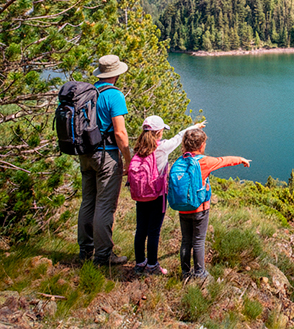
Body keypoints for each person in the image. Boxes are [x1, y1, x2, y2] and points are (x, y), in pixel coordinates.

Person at [130, 116, 206, 275]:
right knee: (153, 231)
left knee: (141, 229)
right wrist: (195, 127)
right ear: (159, 132)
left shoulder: (138, 148)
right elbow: (179, 137)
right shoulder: (162, 147)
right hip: (157, 196)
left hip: (140, 195)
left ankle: (140, 263)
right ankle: (152, 265)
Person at [175, 128, 250, 281]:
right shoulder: (204, 161)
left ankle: (185, 272)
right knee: (198, 241)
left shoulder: (179, 161)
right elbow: (223, 161)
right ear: (202, 145)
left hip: (183, 208)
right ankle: (200, 274)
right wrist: (241, 159)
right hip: (200, 209)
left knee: (186, 240)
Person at [78, 54, 131, 265]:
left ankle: (85, 250)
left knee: (88, 201)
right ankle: (103, 256)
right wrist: (128, 159)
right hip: (106, 155)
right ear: (116, 74)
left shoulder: (87, 93)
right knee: (105, 205)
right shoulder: (114, 95)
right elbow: (120, 133)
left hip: (85, 154)